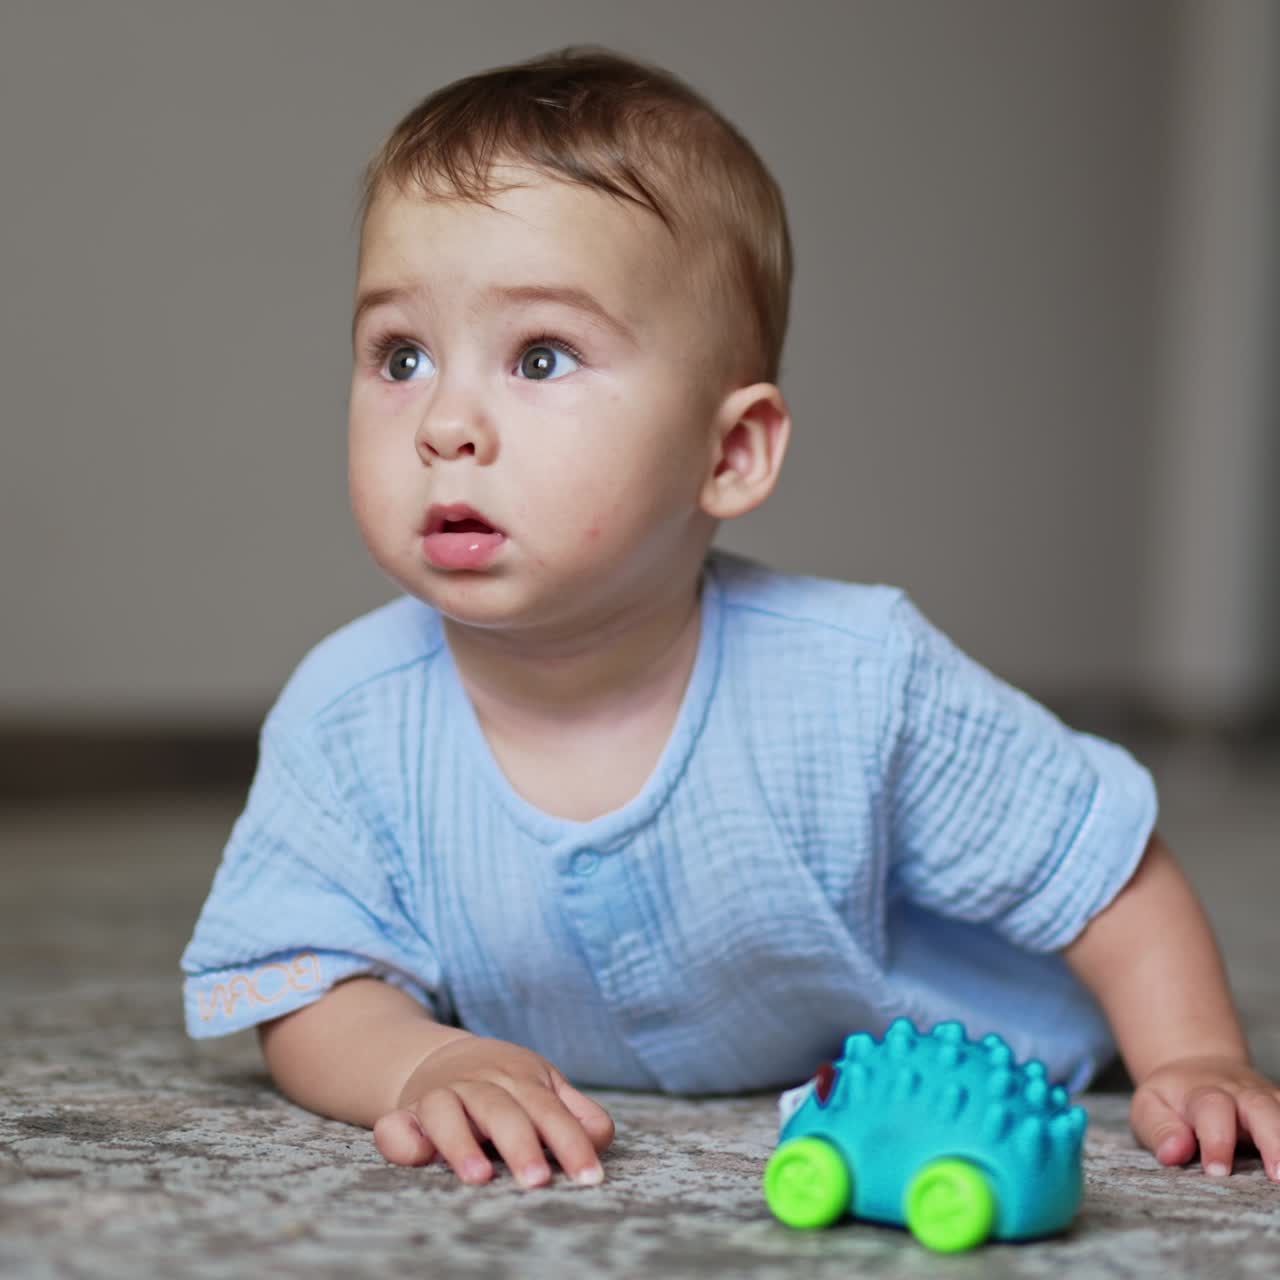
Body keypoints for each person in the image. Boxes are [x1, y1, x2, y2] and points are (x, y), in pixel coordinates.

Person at [181, 46, 1279, 1193]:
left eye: (540, 355)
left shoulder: (856, 678)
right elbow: (303, 981)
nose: (445, 421)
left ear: (729, 450)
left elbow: (1096, 868)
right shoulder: (348, 714)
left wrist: (1194, 1053)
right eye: (400, 354)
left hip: (915, 1068)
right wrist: (424, 1060)